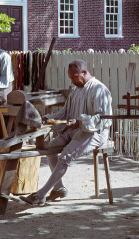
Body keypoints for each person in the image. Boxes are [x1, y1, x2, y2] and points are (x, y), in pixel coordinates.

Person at [20, 59, 112, 206]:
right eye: (70, 77)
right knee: (49, 149)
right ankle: (59, 188)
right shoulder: (75, 90)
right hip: (74, 130)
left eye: (75, 76)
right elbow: (65, 112)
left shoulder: (99, 89)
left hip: (94, 133)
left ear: (84, 72)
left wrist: (79, 122)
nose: (73, 80)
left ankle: (40, 195)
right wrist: (48, 118)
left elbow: (102, 117)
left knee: (66, 156)